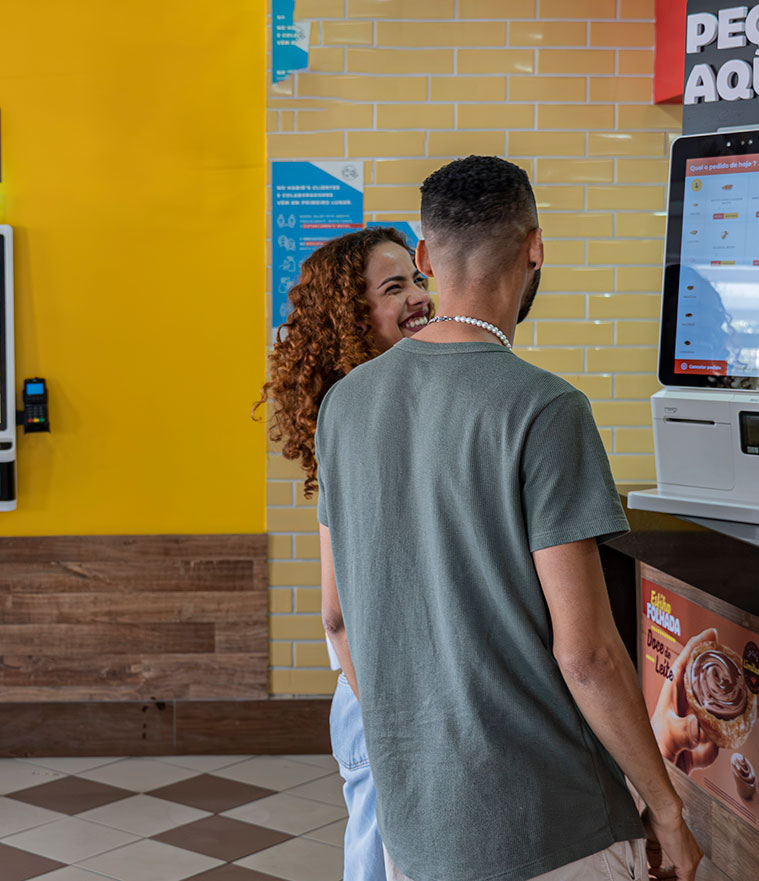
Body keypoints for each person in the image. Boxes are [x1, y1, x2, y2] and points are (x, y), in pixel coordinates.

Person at [315, 156, 703, 881]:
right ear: (535, 248)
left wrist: (413, 753)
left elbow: (338, 619)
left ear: (425, 257)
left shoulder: (345, 404)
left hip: (415, 826)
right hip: (550, 823)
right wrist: (666, 807)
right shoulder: (547, 408)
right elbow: (586, 655)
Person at [259, 226, 432, 881]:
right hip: (382, 693)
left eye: (418, 279)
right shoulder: (362, 417)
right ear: (353, 316)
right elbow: (337, 614)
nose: (419, 296)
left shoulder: (382, 404)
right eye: (395, 287)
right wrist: (391, 719)